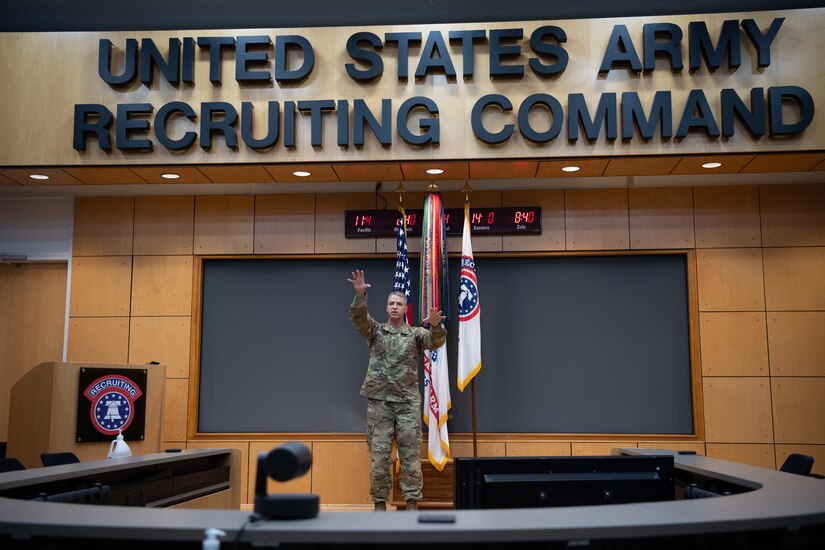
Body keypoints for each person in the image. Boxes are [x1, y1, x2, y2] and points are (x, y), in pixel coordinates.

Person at [347, 269, 446, 512]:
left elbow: (436, 342)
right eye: (390, 303)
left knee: (410, 456)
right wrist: (360, 295)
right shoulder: (376, 331)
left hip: (407, 404)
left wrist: (435, 326)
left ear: (405, 309)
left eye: (398, 304)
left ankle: (411, 502)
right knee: (379, 457)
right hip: (380, 403)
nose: (394, 307)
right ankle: (379, 504)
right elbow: (359, 319)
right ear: (386, 308)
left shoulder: (415, 335)